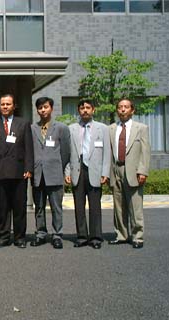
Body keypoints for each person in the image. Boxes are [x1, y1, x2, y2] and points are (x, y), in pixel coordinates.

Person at [0, 94, 34, 248]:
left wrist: (28, 167)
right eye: (2, 104)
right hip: (0, 172)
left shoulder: (23, 123)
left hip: (19, 171)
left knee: (19, 207)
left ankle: (19, 237)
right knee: (2, 207)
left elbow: (29, 148)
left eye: (8, 104)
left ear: (14, 106)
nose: (5, 106)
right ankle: (4, 237)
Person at [65, 99, 110, 249]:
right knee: (79, 206)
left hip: (95, 171)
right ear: (78, 111)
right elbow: (67, 152)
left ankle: (96, 237)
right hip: (77, 170)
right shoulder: (71, 128)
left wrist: (105, 172)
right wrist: (67, 171)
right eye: (82, 108)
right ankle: (82, 236)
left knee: (95, 206)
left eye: (88, 108)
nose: (85, 110)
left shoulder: (102, 128)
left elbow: (107, 153)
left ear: (93, 110)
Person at [108, 98, 150, 249]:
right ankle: (121, 235)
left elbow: (145, 152)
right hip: (116, 169)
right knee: (118, 206)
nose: (123, 109)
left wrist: (143, 171)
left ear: (132, 110)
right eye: (120, 107)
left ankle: (137, 236)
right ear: (117, 110)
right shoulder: (111, 128)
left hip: (133, 170)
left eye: (126, 107)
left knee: (135, 205)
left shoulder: (141, 128)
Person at [30, 97, 70, 249]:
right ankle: (40, 234)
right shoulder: (32, 128)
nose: (43, 110)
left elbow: (66, 152)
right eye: (40, 107)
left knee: (56, 207)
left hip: (54, 174)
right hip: (37, 174)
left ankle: (57, 234)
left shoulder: (61, 128)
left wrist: (62, 169)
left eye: (45, 107)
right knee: (39, 206)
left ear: (51, 108)